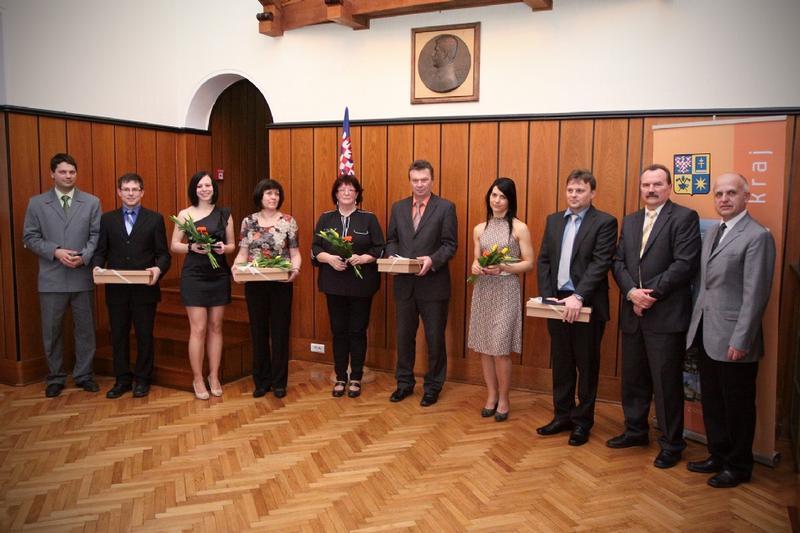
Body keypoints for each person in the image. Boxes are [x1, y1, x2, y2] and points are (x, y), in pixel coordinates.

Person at [685, 173, 775, 488]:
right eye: (719, 194)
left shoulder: (757, 236)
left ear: (746, 197)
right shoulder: (714, 231)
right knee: (712, 401)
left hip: (734, 340)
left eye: (731, 193)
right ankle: (718, 455)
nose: (724, 199)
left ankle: (738, 466)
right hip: (706, 332)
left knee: (737, 406)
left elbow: (756, 295)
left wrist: (742, 339)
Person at [610, 163, 701, 469]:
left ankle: (672, 444)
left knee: (666, 385)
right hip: (633, 313)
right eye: (646, 185)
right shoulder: (631, 220)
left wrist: (649, 296)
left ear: (669, 187)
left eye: (657, 184)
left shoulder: (684, 218)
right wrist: (631, 293)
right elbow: (618, 261)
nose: (651, 190)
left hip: (665, 315)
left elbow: (684, 264)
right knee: (633, 379)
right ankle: (635, 431)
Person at [535, 169, 617, 444]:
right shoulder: (553, 220)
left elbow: (600, 263)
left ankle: (582, 422)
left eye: (580, 190)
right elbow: (544, 260)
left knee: (586, 365)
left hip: (586, 304)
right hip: (557, 302)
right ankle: (562, 416)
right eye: (570, 190)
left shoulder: (605, 222)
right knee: (562, 363)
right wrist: (548, 298)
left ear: (592, 193)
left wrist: (579, 296)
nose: (574, 195)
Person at [22, 153, 101, 398]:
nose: (68, 176)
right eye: (63, 172)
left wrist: (84, 257)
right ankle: (55, 377)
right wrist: (55, 251)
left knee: (85, 330)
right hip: (51, 279)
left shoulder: (92, 202)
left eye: (72, 172)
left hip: (81, 276)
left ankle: (84, 375)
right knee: (52, 331)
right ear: (52, 174)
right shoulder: (37, 203)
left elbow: (96, 235)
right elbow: (30, 237)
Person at [91, 173, 171, 399]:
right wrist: (97, 267)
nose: (130, 193)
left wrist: (158, 269)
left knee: (144, 335)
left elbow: (163, 254)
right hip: (116, 291)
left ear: (142, 192)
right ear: (119, 192)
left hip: (145, 290)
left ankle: (143, 379)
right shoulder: (107, 219)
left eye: (135, 189)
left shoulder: (155, 219)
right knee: (118, 336)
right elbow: (101, 251)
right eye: (126, 189)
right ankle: (122, 380)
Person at [385, 159, 457, 407]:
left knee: (435, 339)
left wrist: (432, 260)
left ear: (432, 180)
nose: (419, 184)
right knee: (404, 337)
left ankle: (433, 387)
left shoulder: (445, 207)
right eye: (415, 180)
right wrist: (392, 257)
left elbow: (450, 245)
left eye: (424, 180)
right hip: (404, 285)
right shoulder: (398, 207)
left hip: (433, 285)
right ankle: (404, 384)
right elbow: (391, 240)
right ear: (410, 181)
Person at [311, 175, 384, 398]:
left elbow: (380, 248)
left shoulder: (369, 219)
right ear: (335, 193)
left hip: (361, 285)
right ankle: (341, 376)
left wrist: (364, 258)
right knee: (339, 331)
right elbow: (315, 248)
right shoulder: (326, 218)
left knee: (358, 331)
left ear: (357, 194)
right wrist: (329, 258)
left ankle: (356, 377)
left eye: (351, 189)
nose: (346, 192)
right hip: (333, 284)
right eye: (341, 189)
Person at [467, 177, 533, 421]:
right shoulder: (479, 229)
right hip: (484, 290)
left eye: (502, 196)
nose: (497, 200)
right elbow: (476, 259)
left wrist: (504, 266)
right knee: (485, 347)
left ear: (510, 200)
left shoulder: (519, 228)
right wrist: (475, 266)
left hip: (506, 290)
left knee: (500, 348)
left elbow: (529, 263)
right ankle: (491, 395)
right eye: (494, 195)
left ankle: (504, 399)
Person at [234, 179, 301, 399]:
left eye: (276, 194)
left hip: (281, 284)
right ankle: (261, 381)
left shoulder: (288, 221)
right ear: (260, 196)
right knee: (258, 332)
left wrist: (296, 269)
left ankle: (279, 382)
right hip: (255, 285)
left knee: (280, 332)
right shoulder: (248, 221)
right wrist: (236, 268)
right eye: (269, 193)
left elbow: (295, 253)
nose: (273, 197)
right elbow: (243, 253)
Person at [170, 171, 235, 400]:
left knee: (216, 326)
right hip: (194, 276)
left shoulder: (225, 213)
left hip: (219, 275)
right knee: (198, 329)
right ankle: (197, 378)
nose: (205, 189)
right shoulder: (185, 214)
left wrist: (223, 249)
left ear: (214, 188)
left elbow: (232, 245)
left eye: (208, 185)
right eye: (200, 186)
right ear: (194, 189)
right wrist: (191, 247)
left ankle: (213, 376)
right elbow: (174, 245)